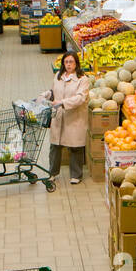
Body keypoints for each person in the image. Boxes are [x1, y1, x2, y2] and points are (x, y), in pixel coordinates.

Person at [44, 52, 90, 184]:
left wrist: (63, 103)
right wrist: (47, 95)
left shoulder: (82, 79)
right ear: (63, 63)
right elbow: (53, 92)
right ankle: (52, 173)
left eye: (71, 62)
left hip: (74, 117)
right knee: (55, 146)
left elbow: (81, 97)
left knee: (75, 146)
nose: (69, 65)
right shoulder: (58, 77)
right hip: (59, 116)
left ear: (76, 64)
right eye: (66, 62)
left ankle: (76, 175)